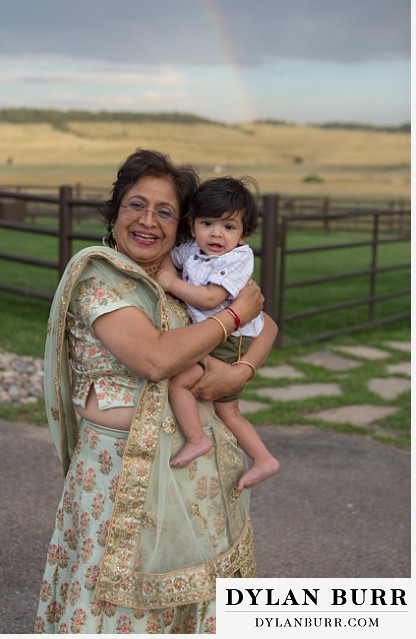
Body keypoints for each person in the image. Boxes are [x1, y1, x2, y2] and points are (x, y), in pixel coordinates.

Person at [35, 149, 278, 634]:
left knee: (195, 594)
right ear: (115, 211)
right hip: (117, 474)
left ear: (183, 224)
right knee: (113, 603)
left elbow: (265, 322)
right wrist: (232, 315)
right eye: (135, 205)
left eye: (165, 211)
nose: (148, 221)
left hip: (195, 471)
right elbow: (156, 358)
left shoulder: (184, 274)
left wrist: (242, 371)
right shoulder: (100, 275)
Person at [157, 176, 280, 489]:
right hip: (214, 334)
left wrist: (171, 284)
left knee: (185, 387)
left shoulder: (237, 259)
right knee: (228, 409)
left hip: (231, 340)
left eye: (229, 227)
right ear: (193, 224)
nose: (216, 233)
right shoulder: (192, 251)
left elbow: (211, 299)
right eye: (207, 223)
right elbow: (167, 260)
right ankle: (264, 459)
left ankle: (199, 440)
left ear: (243, 234)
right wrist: (167, 272)